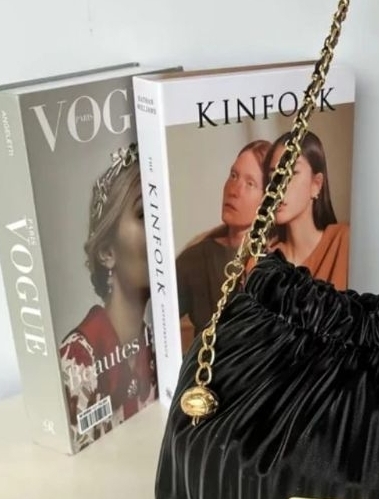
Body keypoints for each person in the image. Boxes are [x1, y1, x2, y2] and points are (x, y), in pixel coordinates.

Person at [60, 143, 157, 452]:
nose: (159, 230)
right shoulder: (78, 357)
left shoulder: (156, 347)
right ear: (106, 253)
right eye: (143, 214)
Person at [175, 139, 271, 351]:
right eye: (233, 175)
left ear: (268, 199)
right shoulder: (195, 259)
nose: (234, 190)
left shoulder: (279, 260)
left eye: (250, 183)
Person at [263, 130, 349, 290]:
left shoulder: (343, 241)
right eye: (273, 176)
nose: (278, 187)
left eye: (290, 174)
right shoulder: (262, 262)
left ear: (316, 184)